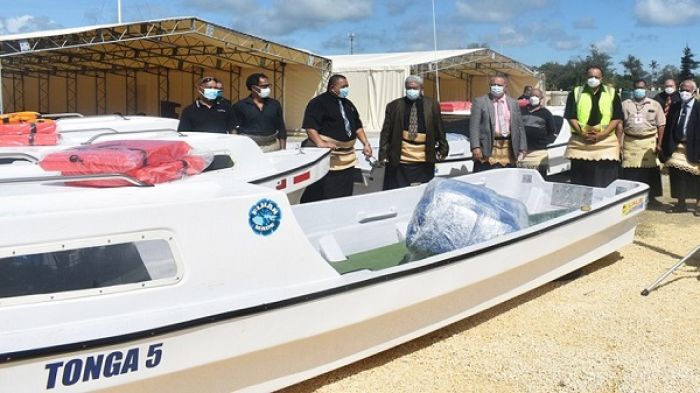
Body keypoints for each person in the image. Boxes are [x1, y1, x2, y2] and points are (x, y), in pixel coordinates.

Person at [300, 74, 372, 202]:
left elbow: (358, 126)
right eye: (343, 86)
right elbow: (310, 126)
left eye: (347, 86)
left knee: (345, 192)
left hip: (348, 159)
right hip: (330, 159)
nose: (346, 89)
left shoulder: (348, 104)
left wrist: (366, 143)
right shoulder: (318, 103)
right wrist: (320, 142)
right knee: (327, 193)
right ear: (333, 87)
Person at [378, 75, 448, 190]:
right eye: (409, 88)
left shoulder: (432, 105)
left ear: (421, 89)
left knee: (422, 191)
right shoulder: (394, 106)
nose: (412, 91)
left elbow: (439, 128)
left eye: (415, 88)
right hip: (401, 159)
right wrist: (383, 154)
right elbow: (386, 132)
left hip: (423, 158)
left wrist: (443, 148)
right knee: (398, 190)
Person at [563, 65, 623, 187]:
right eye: (590, 76)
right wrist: (582, 134)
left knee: (604, 181)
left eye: (596, 77)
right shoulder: (575, 93)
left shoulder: (612, 93)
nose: (593, 79)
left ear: (602, 78)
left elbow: (617, 117)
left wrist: (602, 135)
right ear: (586, 77)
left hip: (605, 142)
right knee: (581, 181)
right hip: (581, 141)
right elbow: (571, 116)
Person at [619, 79, 665, 205]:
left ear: (646, 88)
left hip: (649, 142)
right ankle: (630, 197)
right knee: (630, 171)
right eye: (637, 87)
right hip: (630, 141)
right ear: (633, 89)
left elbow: (661, 125)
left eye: (642, 87)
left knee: (650, 171)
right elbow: (620, 124)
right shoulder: (625, 104)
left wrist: (659, 144)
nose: (639, 90)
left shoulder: (655, 104)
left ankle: (652, 197)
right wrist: (619, 143)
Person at [469, 75, 528, 172]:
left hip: (509, 147)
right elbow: (474, 127)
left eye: (499, 85)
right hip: (487, 147)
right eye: (493, 84)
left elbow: (520, 126)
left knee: (507, 179)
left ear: (505, 87)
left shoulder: (513, 103)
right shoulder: (480, 101)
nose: (496, 87)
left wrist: (523, 147)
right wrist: (475, 147)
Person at [661, 79, 700, 216]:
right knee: (677, 175)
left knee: (696, 176)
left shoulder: (698, 107)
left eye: (687, 90)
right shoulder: (675, 106)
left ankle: (698, 205)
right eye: (682, 89)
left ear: (694, 92)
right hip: (677, 146)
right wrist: (665, 146)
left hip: (695, 146)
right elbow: (669, 126)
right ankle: (680, 204)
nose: (684, 92)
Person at [232, 73, 286, 152]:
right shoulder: (240, 106)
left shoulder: (275, 104)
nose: (267, 88)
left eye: (268, 85)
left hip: (272, 146)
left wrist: (283, 150)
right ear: (253, 88)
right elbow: (234, 130)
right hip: (249, 147)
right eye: (264, 86)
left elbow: (281, 128)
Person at [518, 88, 558, 178]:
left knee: (539, 181)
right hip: (522, 153)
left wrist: (543, 143)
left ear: (541, 98)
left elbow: (552, 131)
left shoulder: (546, 113)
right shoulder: (520, 111)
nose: (534, 98)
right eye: (532, 96)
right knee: (522, 181)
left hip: (538, 154)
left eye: (536, 96)